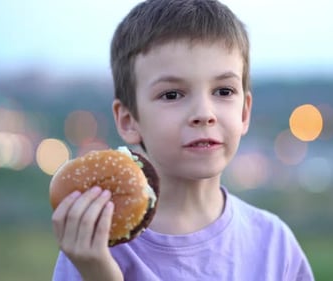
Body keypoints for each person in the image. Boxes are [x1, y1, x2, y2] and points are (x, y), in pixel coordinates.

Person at [51, 0, 315, 280]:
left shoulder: (274, 246)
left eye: (223, 91)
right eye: (172, 95)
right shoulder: (94, 249)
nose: (204, 114)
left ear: (244, 112)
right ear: (129, 121)